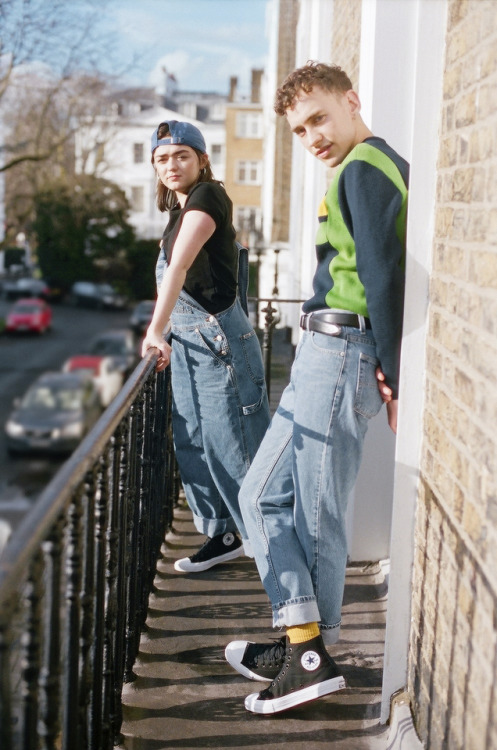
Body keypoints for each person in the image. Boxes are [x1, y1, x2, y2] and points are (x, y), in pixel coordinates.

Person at [224, 62, 409, 714]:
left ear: (351, 101)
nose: (312, 136)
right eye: (300, 130)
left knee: (316, 514)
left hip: (342, 355)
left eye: (318, 118)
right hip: (320, 355)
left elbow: (385, 276)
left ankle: (308, 654)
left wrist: (391, 373)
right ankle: (304, 638)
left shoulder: (366, 167)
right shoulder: (354, 168)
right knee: (258, 495)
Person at [142, 120, 270, 573]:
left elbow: (178, 270)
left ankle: (272, 549)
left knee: (233, 447)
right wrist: (171, 334)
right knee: (194, 441)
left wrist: (155, 331)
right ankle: (224, 533)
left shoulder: (207, 197)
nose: (171, 165)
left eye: (181, 155)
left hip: (217, 344)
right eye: (162, 158)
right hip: (191, 345)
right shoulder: (178, 211)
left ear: (201, 159)